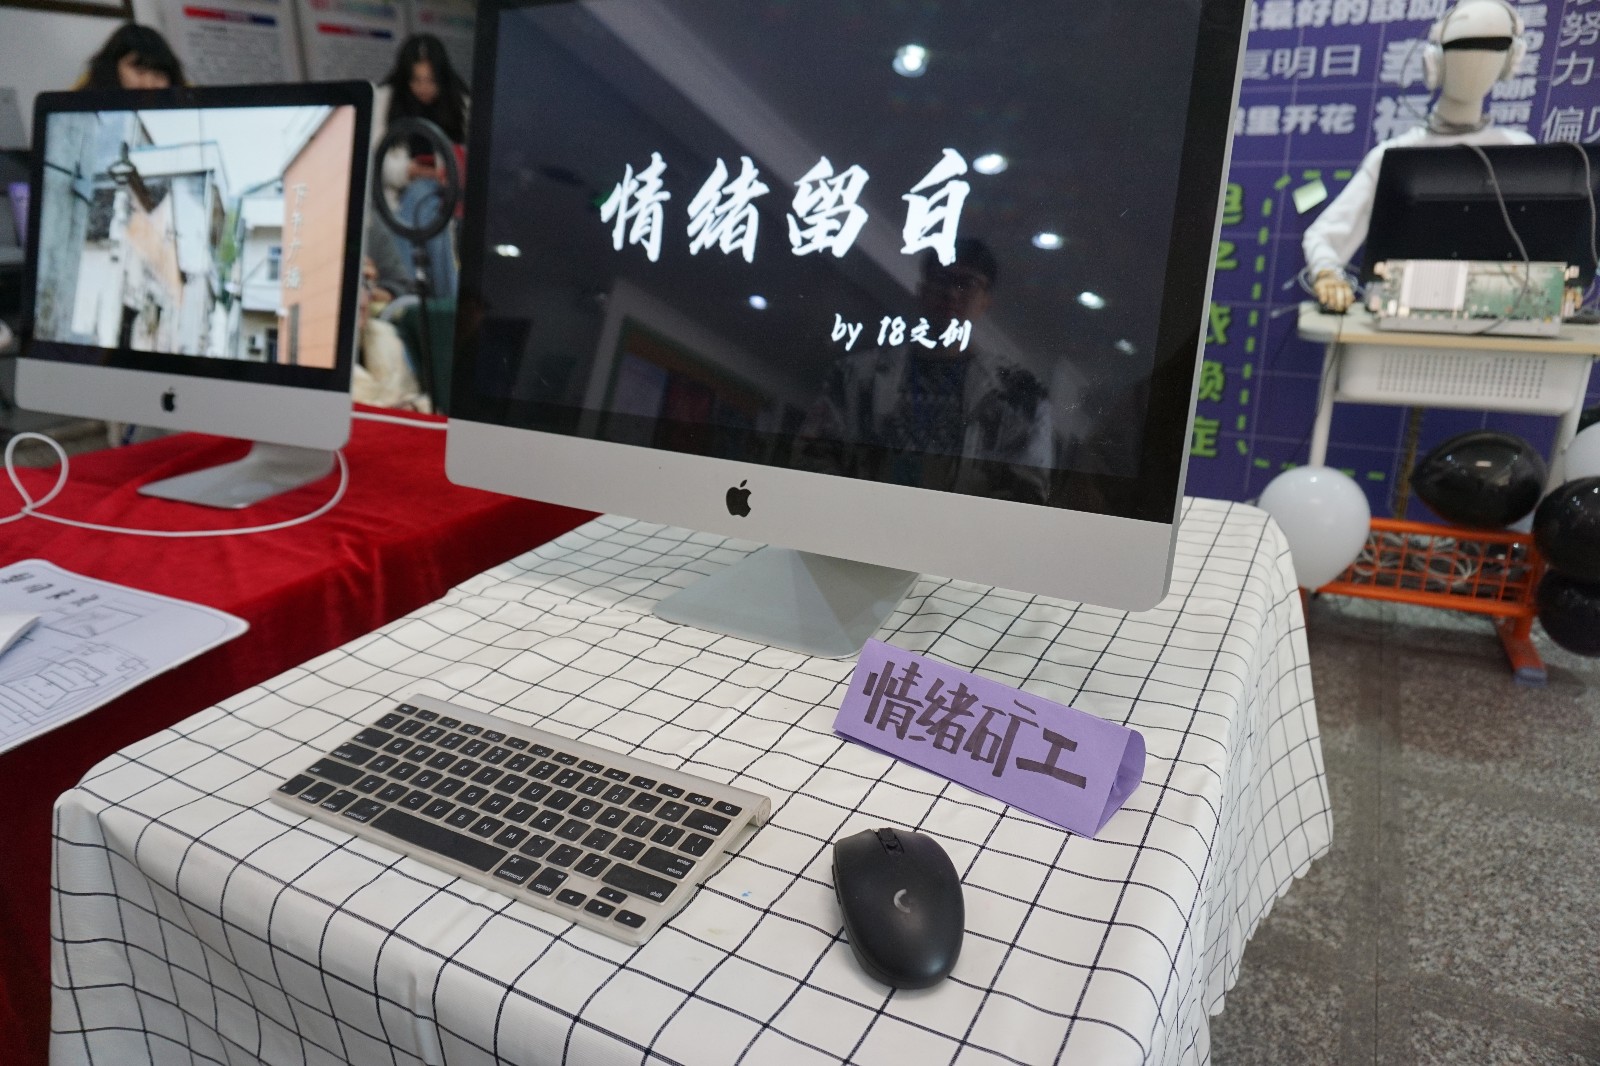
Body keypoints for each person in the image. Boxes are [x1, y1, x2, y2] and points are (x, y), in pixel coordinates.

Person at [1302, 0, 1533, 312]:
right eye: (1461, 49)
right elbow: (1325, 235)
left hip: (1499, 316)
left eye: (1495, 49)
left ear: (1510, 61)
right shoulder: (1396, 156)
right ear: (1435, 61)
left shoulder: (1520, 153)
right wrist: (1327, 273)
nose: (1477, 63)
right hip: (1399, 318)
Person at [797, 238, 1053, 503]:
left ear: (985, 301)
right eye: (941, 279)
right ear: (921, 290)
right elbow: (811, 461)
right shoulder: (856, 376)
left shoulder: (1020, 395)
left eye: (967, 283)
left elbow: (1027, 494)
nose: (951, 293)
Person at [371, 35, 469, 300]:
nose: (423, 88)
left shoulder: (460, 103)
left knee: (424, 201)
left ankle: (408, 295)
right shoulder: (385, 100)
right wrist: (412, 172)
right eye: (416, 80)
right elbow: (377, 161)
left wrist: (449, 175)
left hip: (449, 197)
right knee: (422, 200)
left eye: (431, 80)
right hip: (399, 198)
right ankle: (446, 300)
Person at [75, 23, 186, 91]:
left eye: (158, 75)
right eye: (139, 71)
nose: (148, 85)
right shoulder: (82, 107)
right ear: (112, 68)